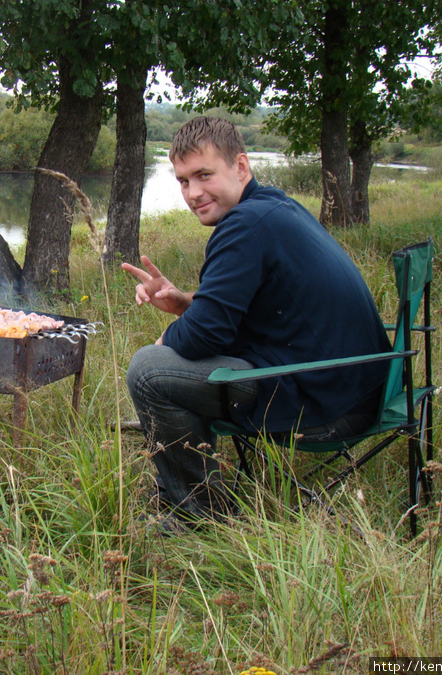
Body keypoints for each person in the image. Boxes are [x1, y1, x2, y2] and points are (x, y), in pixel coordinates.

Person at [122, 116, 392, 524]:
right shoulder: (274, 209)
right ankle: (180, 485)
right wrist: (184, 304)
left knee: (149, 370)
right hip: (357, 386)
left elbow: (202, 337)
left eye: (204, 175)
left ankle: (197, 515)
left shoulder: (244, 226)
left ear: (241, 167)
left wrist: (170, 338)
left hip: (329, 403)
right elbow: (247, 306)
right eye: (182, 181)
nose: (193, 193)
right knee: (175, 369)